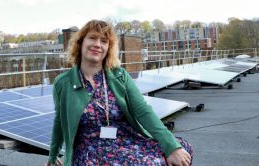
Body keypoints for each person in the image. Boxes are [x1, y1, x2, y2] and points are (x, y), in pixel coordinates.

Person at [46, 20, 193, 166]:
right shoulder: (63, 82)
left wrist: (171, 146)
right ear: (80, 43)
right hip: (91, 148)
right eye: (92, 38)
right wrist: (52, 158)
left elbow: (143, 111)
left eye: (104, 41)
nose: (97, 44)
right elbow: (59, 121)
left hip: (126, 139)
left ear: (108, 48)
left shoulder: (119, 75)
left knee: (182, 149)